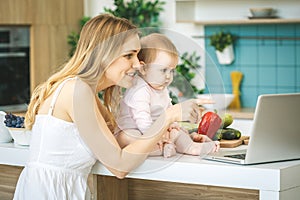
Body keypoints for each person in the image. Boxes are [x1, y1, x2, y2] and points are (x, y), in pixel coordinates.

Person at [13, 14, 208, 200]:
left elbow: (125, 142)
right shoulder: (76, 91)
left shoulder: (86, 93)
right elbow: (120, 165)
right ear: (104, 54)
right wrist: (168, 116)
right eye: (129, 55)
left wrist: (180, 138)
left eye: (138, 55)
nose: (138, 64)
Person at [115, 33, 220, 158]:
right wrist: (156, 137)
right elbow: (142, 121)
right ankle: (165, 146)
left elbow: (169, 110)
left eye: (172, 71)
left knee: (176, 132)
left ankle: (190, 146)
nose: (168, 76)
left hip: (154, 130)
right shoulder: (139, 90)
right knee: (131, 137)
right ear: (143, 69)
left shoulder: (160, 87)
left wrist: (174, 127)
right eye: (163, 70)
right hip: (134, 129)